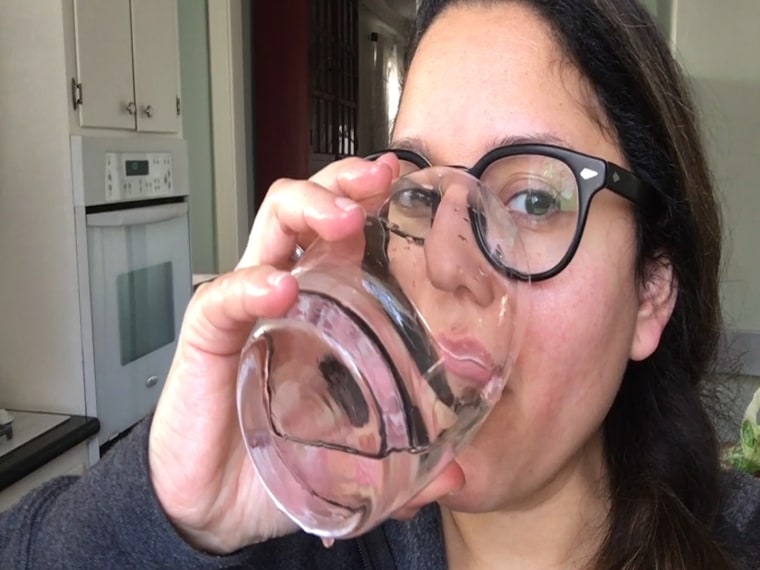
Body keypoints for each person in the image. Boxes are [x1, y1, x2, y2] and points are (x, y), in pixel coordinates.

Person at [2, 0, 759, 567]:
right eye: (421, 196)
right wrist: (169, 514)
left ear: (652, 294)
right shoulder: (304, 532)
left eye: (533, 199)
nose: (444, 263)